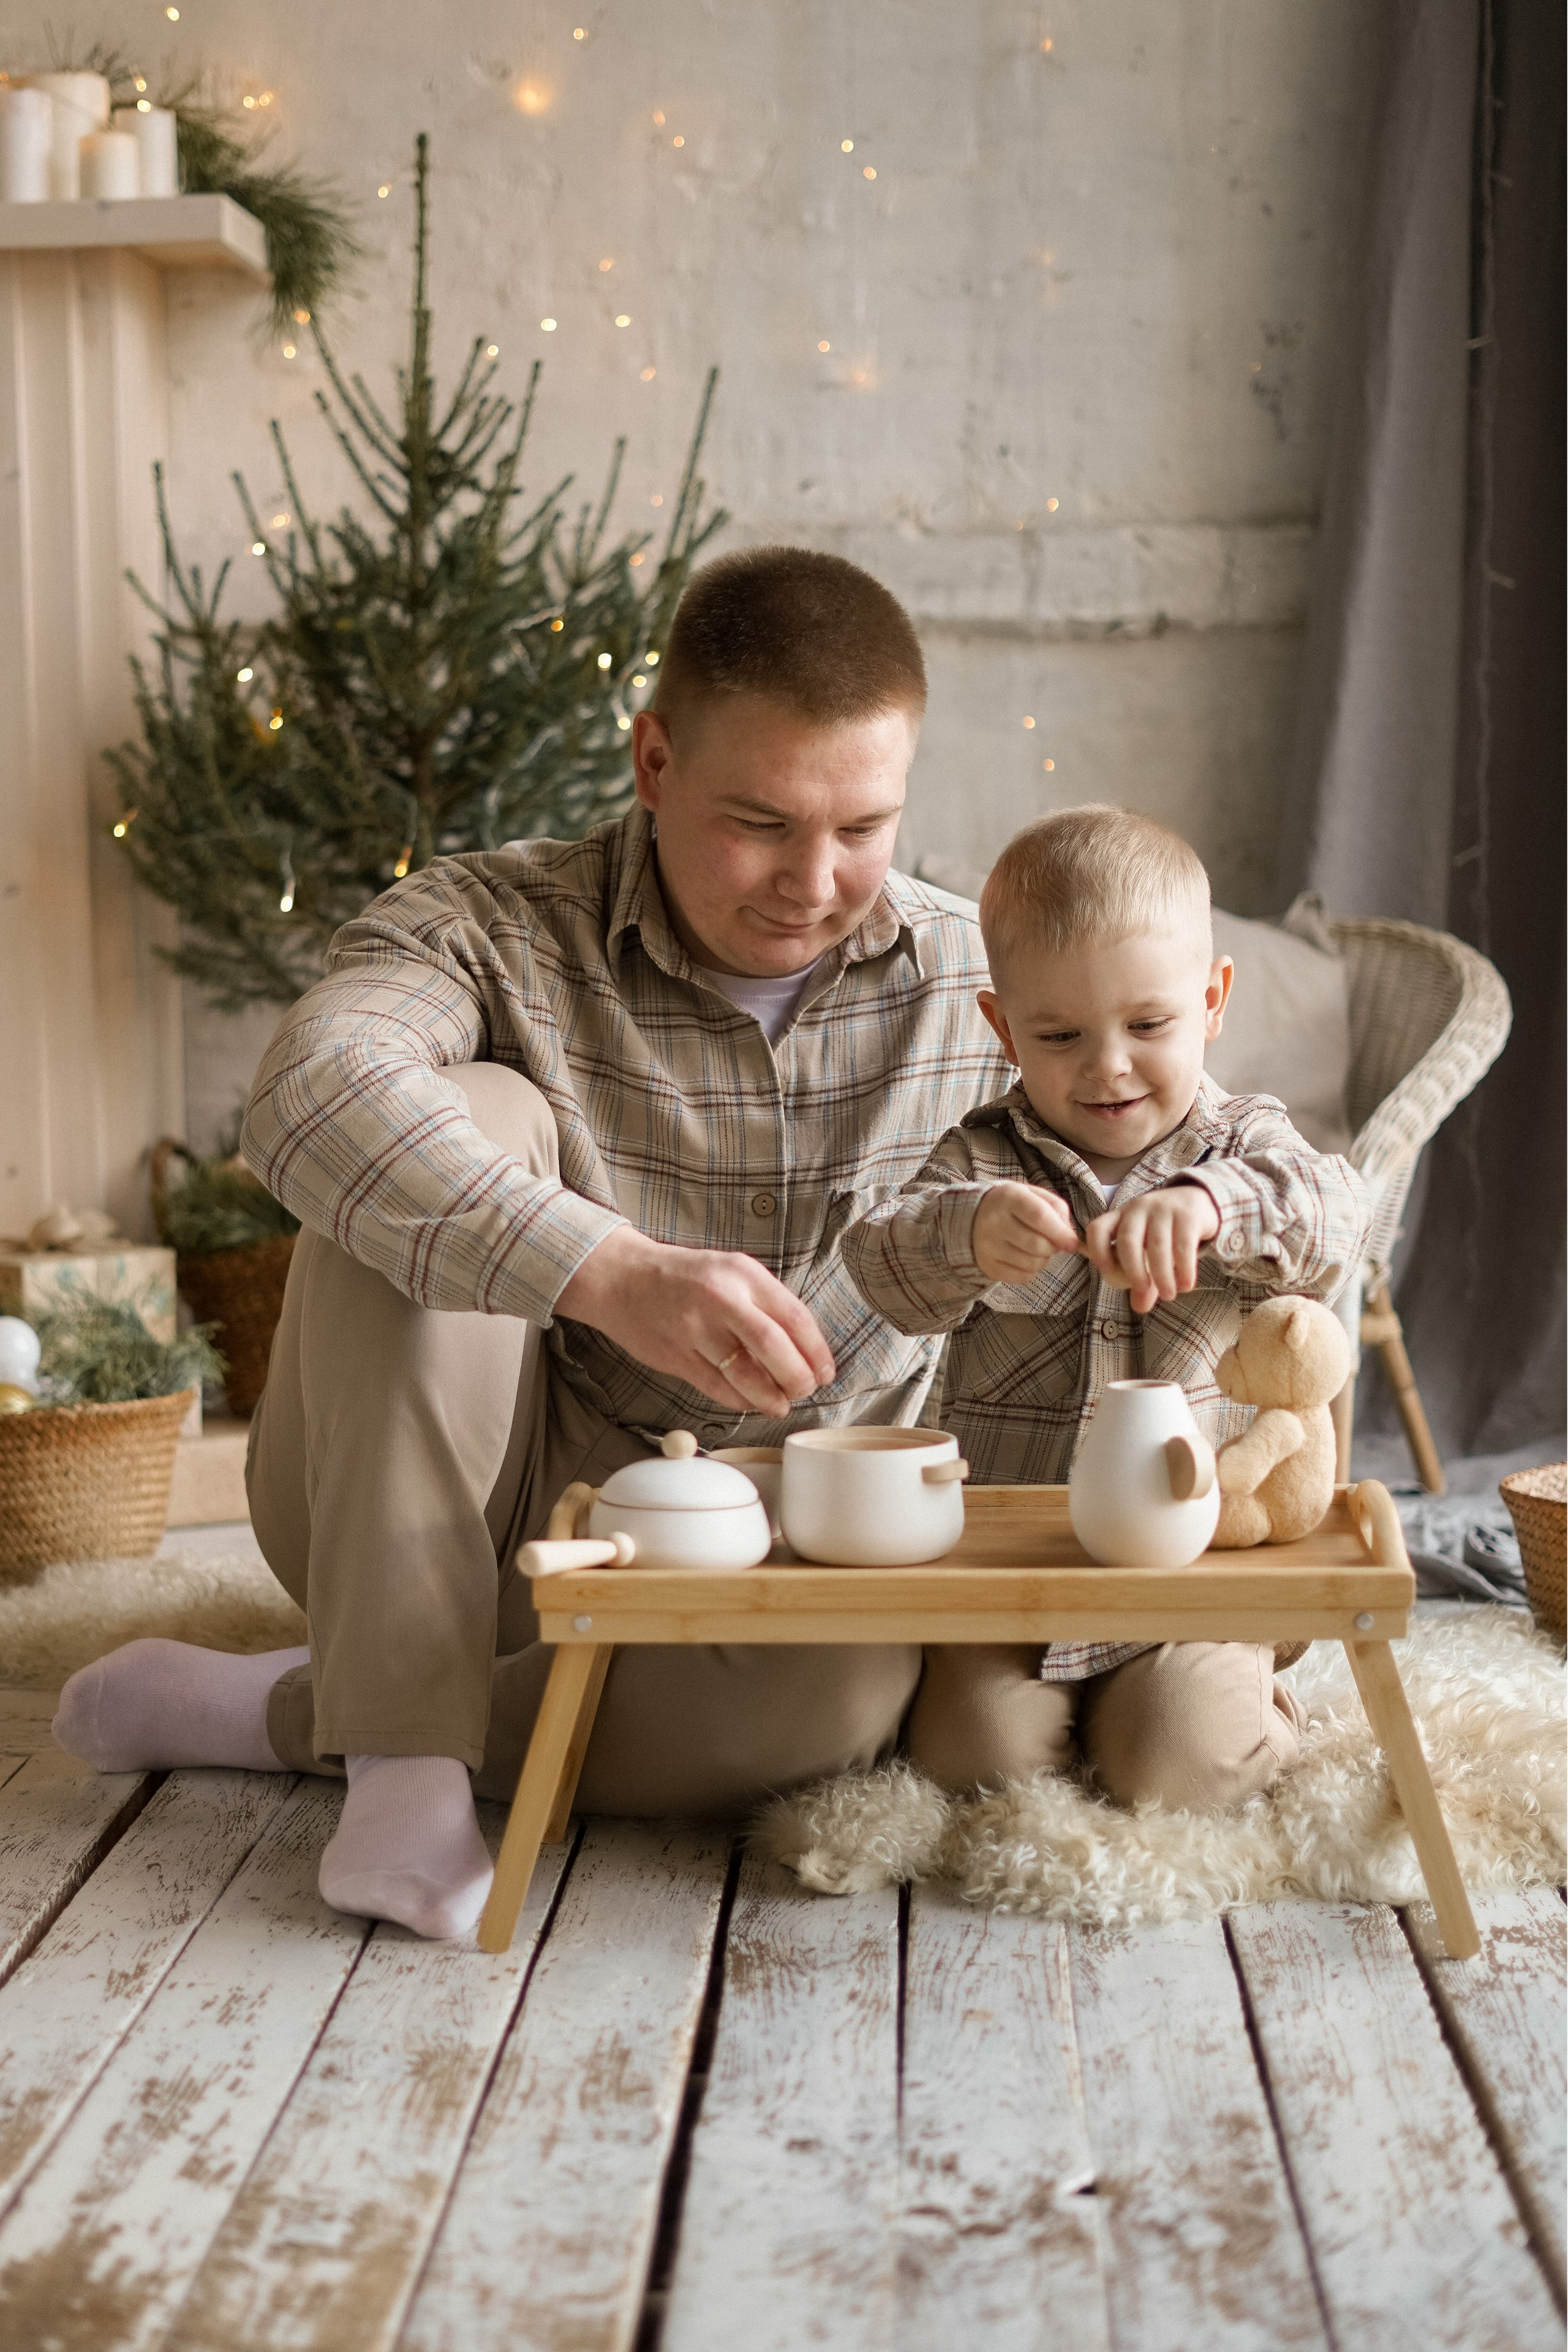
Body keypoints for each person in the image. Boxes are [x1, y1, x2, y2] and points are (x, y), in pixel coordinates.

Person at [53, 547, 1008, 1937]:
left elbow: (1188, 1148)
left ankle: (283, 1712)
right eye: (759, 822)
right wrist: (604, 1271)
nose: (813, 881)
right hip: (457, 1507)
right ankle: (404, 1774)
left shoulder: (982, 979)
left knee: (840, 1702)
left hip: (773, 1555)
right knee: (464, 1115)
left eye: (863, 827)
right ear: (653, 761)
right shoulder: (488, 924)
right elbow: (308, 1095)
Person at [842, 804, 1372, 1810]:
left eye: (1149, 1025)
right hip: (1020, 1565)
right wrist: (963, 1234)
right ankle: (1061, 1720)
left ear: (1211, 1002)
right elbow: (875, 1263)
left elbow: (1341, 1218)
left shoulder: (1245, 1145)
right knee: (975, 1766)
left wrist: (1216, 1206)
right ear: (1005, 1029)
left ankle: (1242, 1703)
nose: (1109, 1065)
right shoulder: (984, 1159)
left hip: (1195, 1567)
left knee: (1182, 1766)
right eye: (1060, 1035)